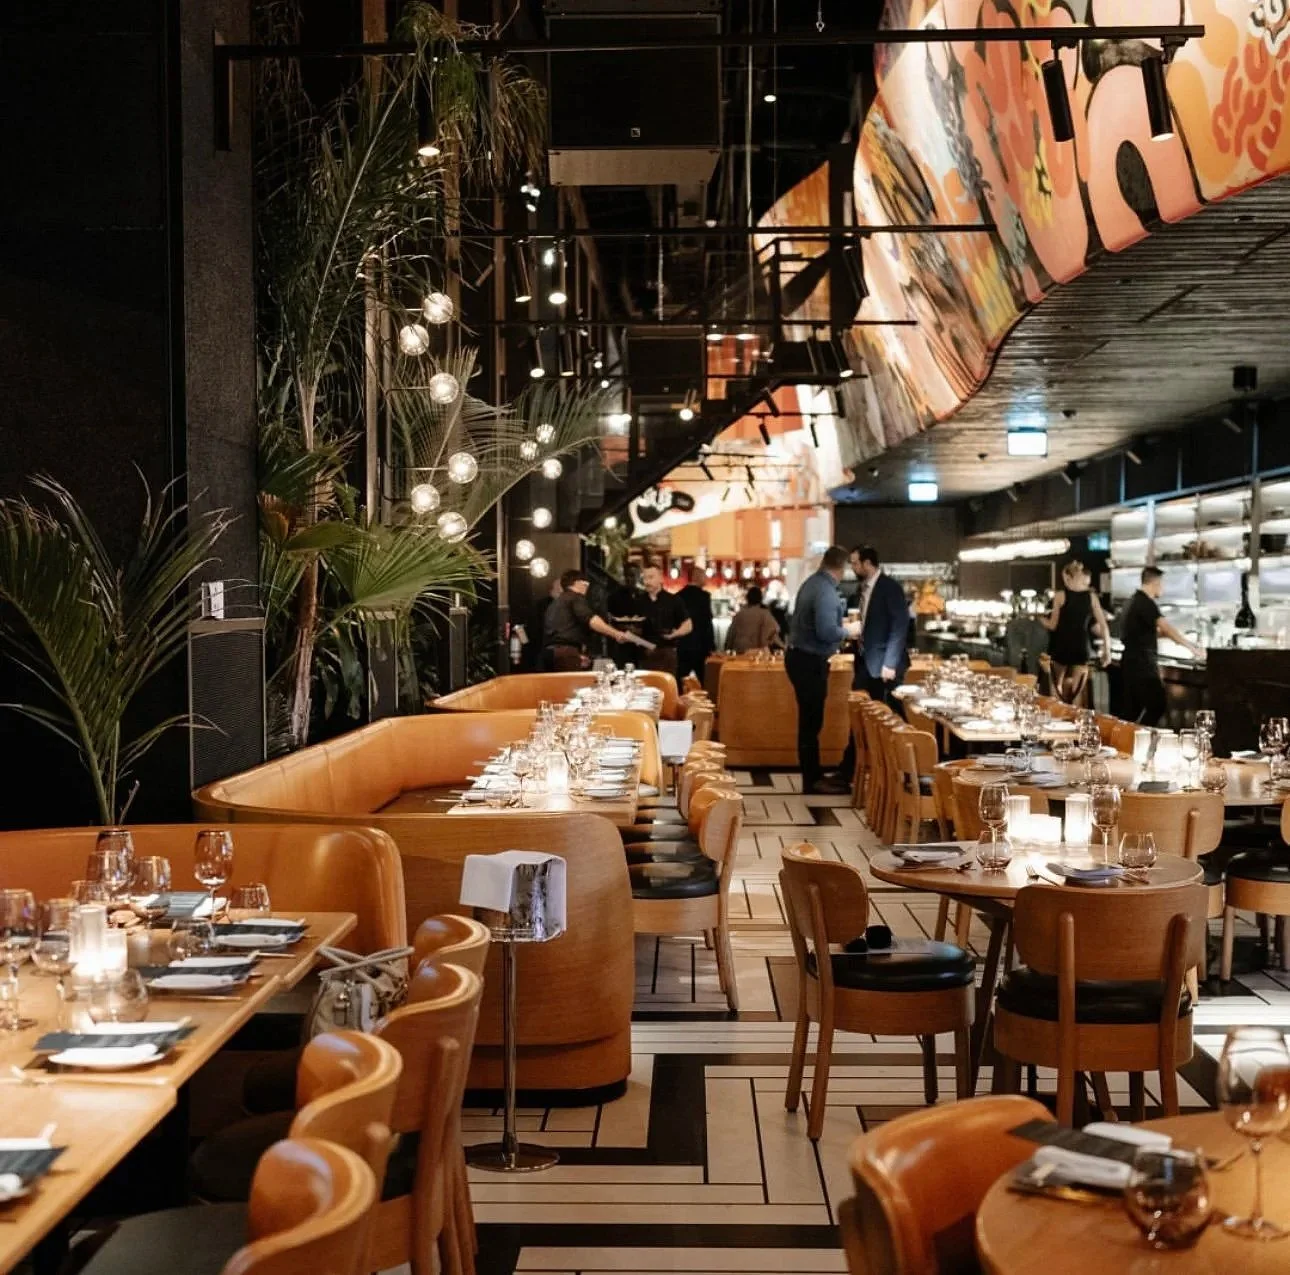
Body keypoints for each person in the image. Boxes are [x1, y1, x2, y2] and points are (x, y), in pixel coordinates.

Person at [786, 546, 862, 795]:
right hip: (810, 661)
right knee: (811, 721)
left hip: (799, 657)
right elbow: (827, 631)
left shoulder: (812, 583)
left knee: (809, 721)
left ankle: (813, 774)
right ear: (842, 568)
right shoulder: (826, 591)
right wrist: (850, 631)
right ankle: (812, 780)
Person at [1119, 566, 1203, 725]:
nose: (1163, 588)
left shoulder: (1133, 601)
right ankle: (1140, 738)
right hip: (1143, 663)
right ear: (1155, 582)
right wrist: (1192, 648)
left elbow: (1146, 631)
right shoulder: (1146, 603)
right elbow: (1165, 627)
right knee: (1157, 705)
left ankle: (1128, 740)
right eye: (1162, 583)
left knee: (1132, 710)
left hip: (1131, 662)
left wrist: (1175, 638)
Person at [1041, 560, 1112, 704]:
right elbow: (1104, 626)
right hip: (1081, 648)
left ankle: (1059, 721)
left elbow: (1053, 625)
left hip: (1061, 647)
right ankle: (1077, 722)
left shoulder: (1060, 596)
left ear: (1068, 577)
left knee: (1057, 693)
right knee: (1078, 694)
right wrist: (1107, 651)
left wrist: (1039, 619)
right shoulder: (1091, 597)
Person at [851, 546, 911, 704]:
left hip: (885, 663)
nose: (852, 568)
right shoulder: (862, 589)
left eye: (855, 564)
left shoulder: (890, 587)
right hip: (866, 660)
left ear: (867, 563)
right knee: (862, 706)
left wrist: (890, 664)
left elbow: (899, 627)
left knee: (891, 712)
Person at [543, 568, 630, 671]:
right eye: (585, 584)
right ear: (577, 583)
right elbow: (591, 619)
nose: (587, 588)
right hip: (566, 653)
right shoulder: (575, 597)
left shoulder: (554, 604)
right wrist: (615, 633)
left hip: (549, 653)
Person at [637, 564, 693, 678]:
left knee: (667, 688)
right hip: (644, 653)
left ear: (661, 579)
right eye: (645, 578)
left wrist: (675, 634)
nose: (647, 582)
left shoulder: (673, 600)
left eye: (651, 577)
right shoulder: (638, 601)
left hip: (667, 652)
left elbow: (688, 625)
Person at [676, 580, 716, 689]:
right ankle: (705, 704)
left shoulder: (678, 595)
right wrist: (711, 645)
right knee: (704, 681)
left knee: (679, 681)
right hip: (701, 645)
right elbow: (708, 623)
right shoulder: (704, 596)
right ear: (697, 577)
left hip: (683, 645)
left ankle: (679, 704)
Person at [726, 586, 783, 654]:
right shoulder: (765, 614)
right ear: (760, 598)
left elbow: (731, 634)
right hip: (758, 653)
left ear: (747, 598)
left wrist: (727, 648)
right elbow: (773, 633)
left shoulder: (740, 614)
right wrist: (783, 647)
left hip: (740, 651)